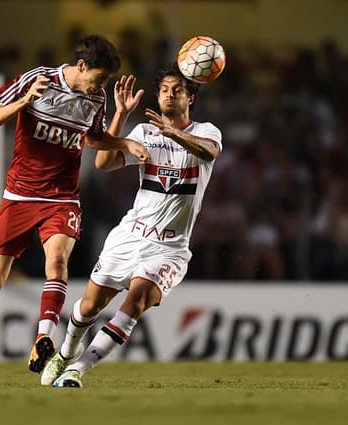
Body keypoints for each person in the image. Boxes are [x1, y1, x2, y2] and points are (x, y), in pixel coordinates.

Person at [0, 35, 150, 374]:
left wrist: (126, 142)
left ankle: (44, 338)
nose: (99, 87)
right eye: (98, 78)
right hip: (19, 196)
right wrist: (25, 101)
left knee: (56, 262)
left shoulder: (96, 97)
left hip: (62, 197)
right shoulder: (39, 79)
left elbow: (94, 138)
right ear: (81, 66)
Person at [42, 63, 222, 388]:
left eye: (177, 90)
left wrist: (175, 134)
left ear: (190, 98)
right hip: (130, 236)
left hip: (169, 249)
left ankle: (77, 370)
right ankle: (66, 352)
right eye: (164, 89)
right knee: (88, 307)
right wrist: (122, 115)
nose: (169, 95)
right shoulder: (144, 132)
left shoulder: (206, 132)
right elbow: (103, 162)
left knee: (135, 303)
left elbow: (210, 153)